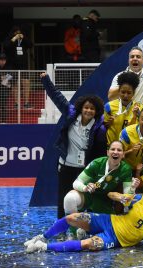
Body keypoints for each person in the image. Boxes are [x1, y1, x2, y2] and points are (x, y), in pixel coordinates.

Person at [25, 186, 143, 253]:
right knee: (72, 217)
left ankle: (42, 247)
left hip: (115, 238)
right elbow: (110, 195)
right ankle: (42, 237)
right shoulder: (139, 199)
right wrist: (121, 197)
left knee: (87, 245)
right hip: (108, 220)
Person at [40, 73, 106, 219]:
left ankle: (81, 226)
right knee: (63, 198)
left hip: (84, 169)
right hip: (65, 166)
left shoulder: (99, 127)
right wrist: (46, 80)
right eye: (86, 107)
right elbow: (57, 97)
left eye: (92, 109)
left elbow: (100, 150)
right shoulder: (71, 114)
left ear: (96, 112)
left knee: (82, 199)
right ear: (81, 108)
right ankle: (62, 225)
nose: (88, 111)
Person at [63, 141, 134, 218]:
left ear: (123, 154)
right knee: (70, 199)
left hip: (105, 200)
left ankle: (86, 225)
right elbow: (76, 183)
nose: (115, 152)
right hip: (88, 195)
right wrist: (85, 188)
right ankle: (75, 229)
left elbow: (127, 196)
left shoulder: (126, 169)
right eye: (113, 149)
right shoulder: (97, 163)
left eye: (119, 150)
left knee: (105, 227)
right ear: (107, 152)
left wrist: (133, 188)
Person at [104, 72, 140, 146]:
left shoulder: (138, 108)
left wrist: (135, 116)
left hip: (129, 147)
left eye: (129, 93)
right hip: (112, 148)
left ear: (134, 93)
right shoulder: (109, 106)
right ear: (118, 91)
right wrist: (108, 124)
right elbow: (103, 128)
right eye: (123, 92)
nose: (125, 95)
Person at [3, 26, 33, 109]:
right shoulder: (10, 39)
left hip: (23, 64)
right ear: (13, 33)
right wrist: (14, 38)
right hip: (12, 65)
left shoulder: (23, 40)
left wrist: (24, 38)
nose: (18, 34)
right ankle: (16, 104)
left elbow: (30, 45)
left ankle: (26, 103)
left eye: (19, 32)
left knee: (26, 82)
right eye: (16, 32)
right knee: (14, 84)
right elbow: (6, 46)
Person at [0, 53, 13, 123]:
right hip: (0, 87)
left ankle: (3, 122)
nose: (2, 61)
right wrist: (3, 78)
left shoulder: (9, 67)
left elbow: (10, 77)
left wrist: (2, 78)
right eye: (1, 60)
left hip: (4, 89)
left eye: (4, 60)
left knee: (4, 106)